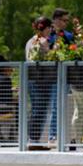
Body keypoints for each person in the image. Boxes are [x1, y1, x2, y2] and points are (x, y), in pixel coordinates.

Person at [23, 17, 56, 148]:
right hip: (36, 80)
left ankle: (35, 139)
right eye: (49, 28)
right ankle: (32, 139)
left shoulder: (36, 40)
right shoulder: (37, 41)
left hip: (41, 79)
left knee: (40, 109)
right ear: (45, 28)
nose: (50, 31)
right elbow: (44, 56)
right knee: (39, 108)